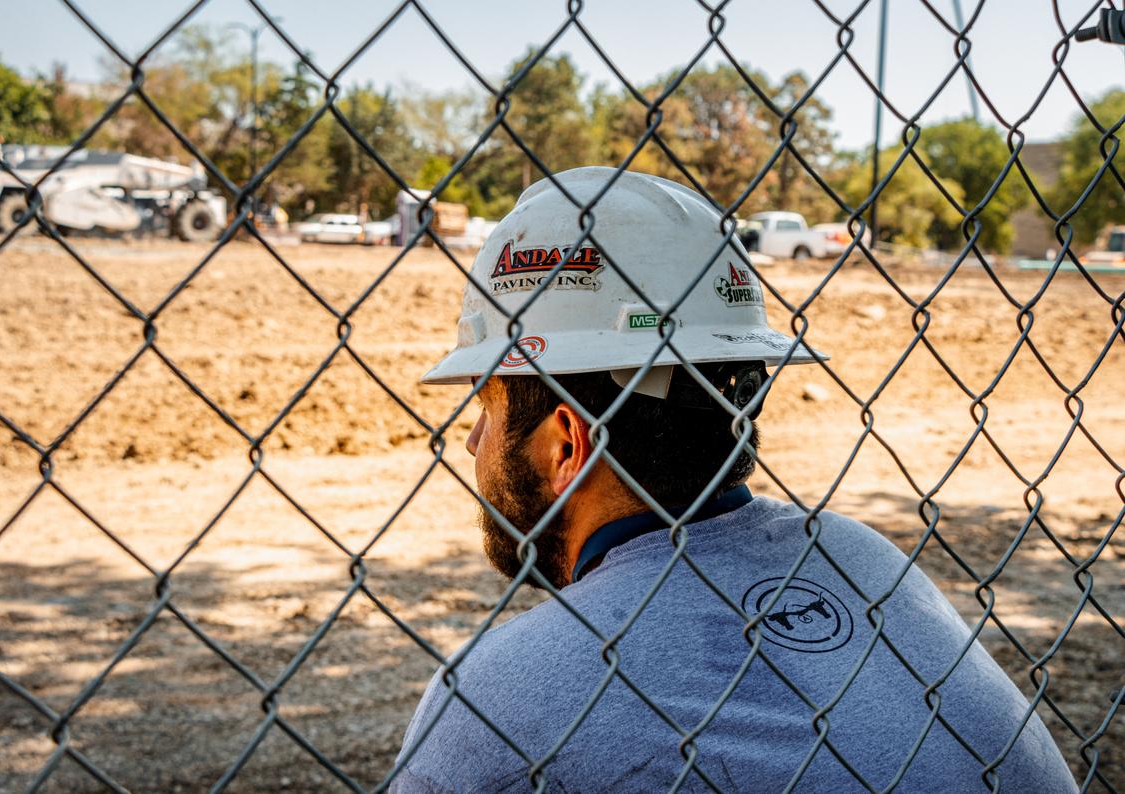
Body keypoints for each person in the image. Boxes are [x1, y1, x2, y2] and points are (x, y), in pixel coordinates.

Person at [391, 167, 1076, 792]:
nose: (473, 440)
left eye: (487, 407)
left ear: (570, 442)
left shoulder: (498, 701)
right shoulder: (863, 559)